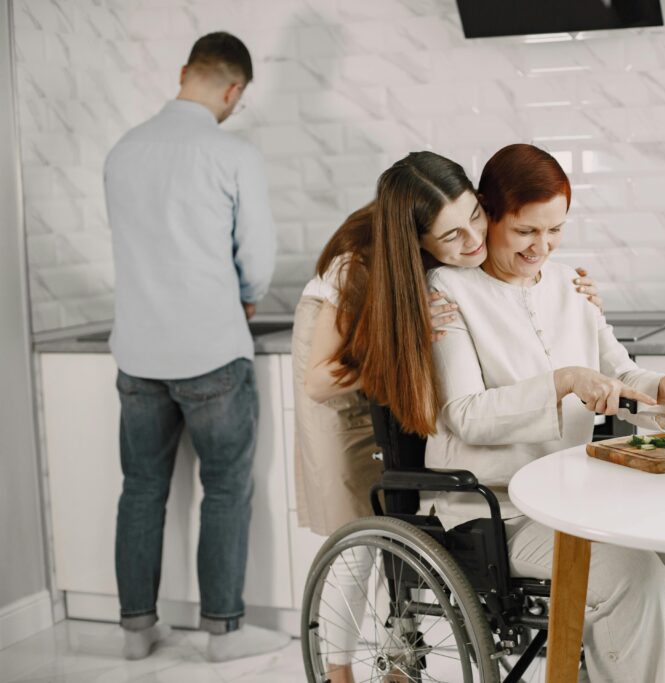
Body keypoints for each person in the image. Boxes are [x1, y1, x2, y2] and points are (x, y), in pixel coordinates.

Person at [291, 151, 603, 683]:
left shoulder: (454, 247)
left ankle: (399, 653)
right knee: (365, 520)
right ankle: (339, 671)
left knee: (416, 495)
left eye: (475, 218)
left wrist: (571, 298)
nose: (474, 241)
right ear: (415, 242)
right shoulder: (358, 266)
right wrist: (395, 335)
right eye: (452, 237)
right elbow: (319, 380)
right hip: (343, 368)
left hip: (405, 349)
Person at [426, 143, 665, 683]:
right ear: (488, 215)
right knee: (633, 575)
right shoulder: (448, 293)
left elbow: (620, 375)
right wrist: (562, 382)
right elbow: (465, 415)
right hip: (499, 509)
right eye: (526, 231)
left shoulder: (568, 284)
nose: (542, 246)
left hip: (577, 499)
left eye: (555, 230)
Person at [104, 32, 288, 662]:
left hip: (136, 354)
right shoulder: (231, 153)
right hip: (211, 350)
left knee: (141, 490)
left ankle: (135, 632)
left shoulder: (122, 151)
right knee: (228, 489)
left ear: (185, 72)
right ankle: (222, 634)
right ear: (234, 90)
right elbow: (257, 260)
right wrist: (242, 299)